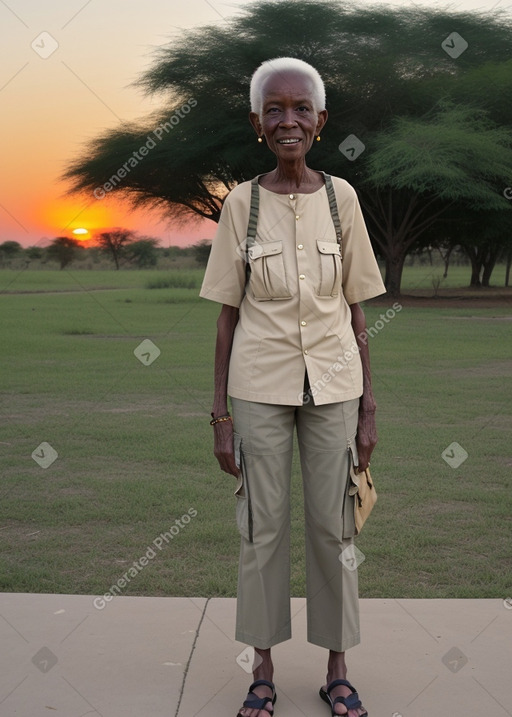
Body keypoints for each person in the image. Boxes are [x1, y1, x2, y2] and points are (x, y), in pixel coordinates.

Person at [200, 57, 386, 717]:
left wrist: (369, 407)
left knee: (335, 528)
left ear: (321, 120)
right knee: (260, 530)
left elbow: (359, 308)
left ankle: (337, 667)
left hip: (336, 385)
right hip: (259, 388)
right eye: (273, 109)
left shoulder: (344, 199)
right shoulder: (241, 206)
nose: (288, 121)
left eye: (301, 108)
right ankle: (263, 669)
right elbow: (227, 315)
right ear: (257, 123)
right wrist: (219, 417)